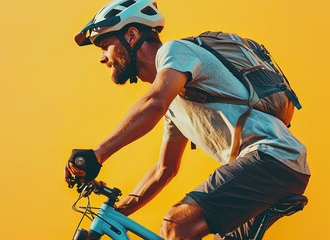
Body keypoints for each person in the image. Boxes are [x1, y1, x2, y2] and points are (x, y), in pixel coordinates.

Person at [64, 0, 310, 239]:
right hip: (270, 168)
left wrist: (98, 155)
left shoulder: (175, 52)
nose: (102, 58)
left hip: (271, 158)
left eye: (105, 46)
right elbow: (164, 170)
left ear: (130, 36)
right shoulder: (174, 104)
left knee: (177, 224)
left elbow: (154, 102)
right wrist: (116, 214)